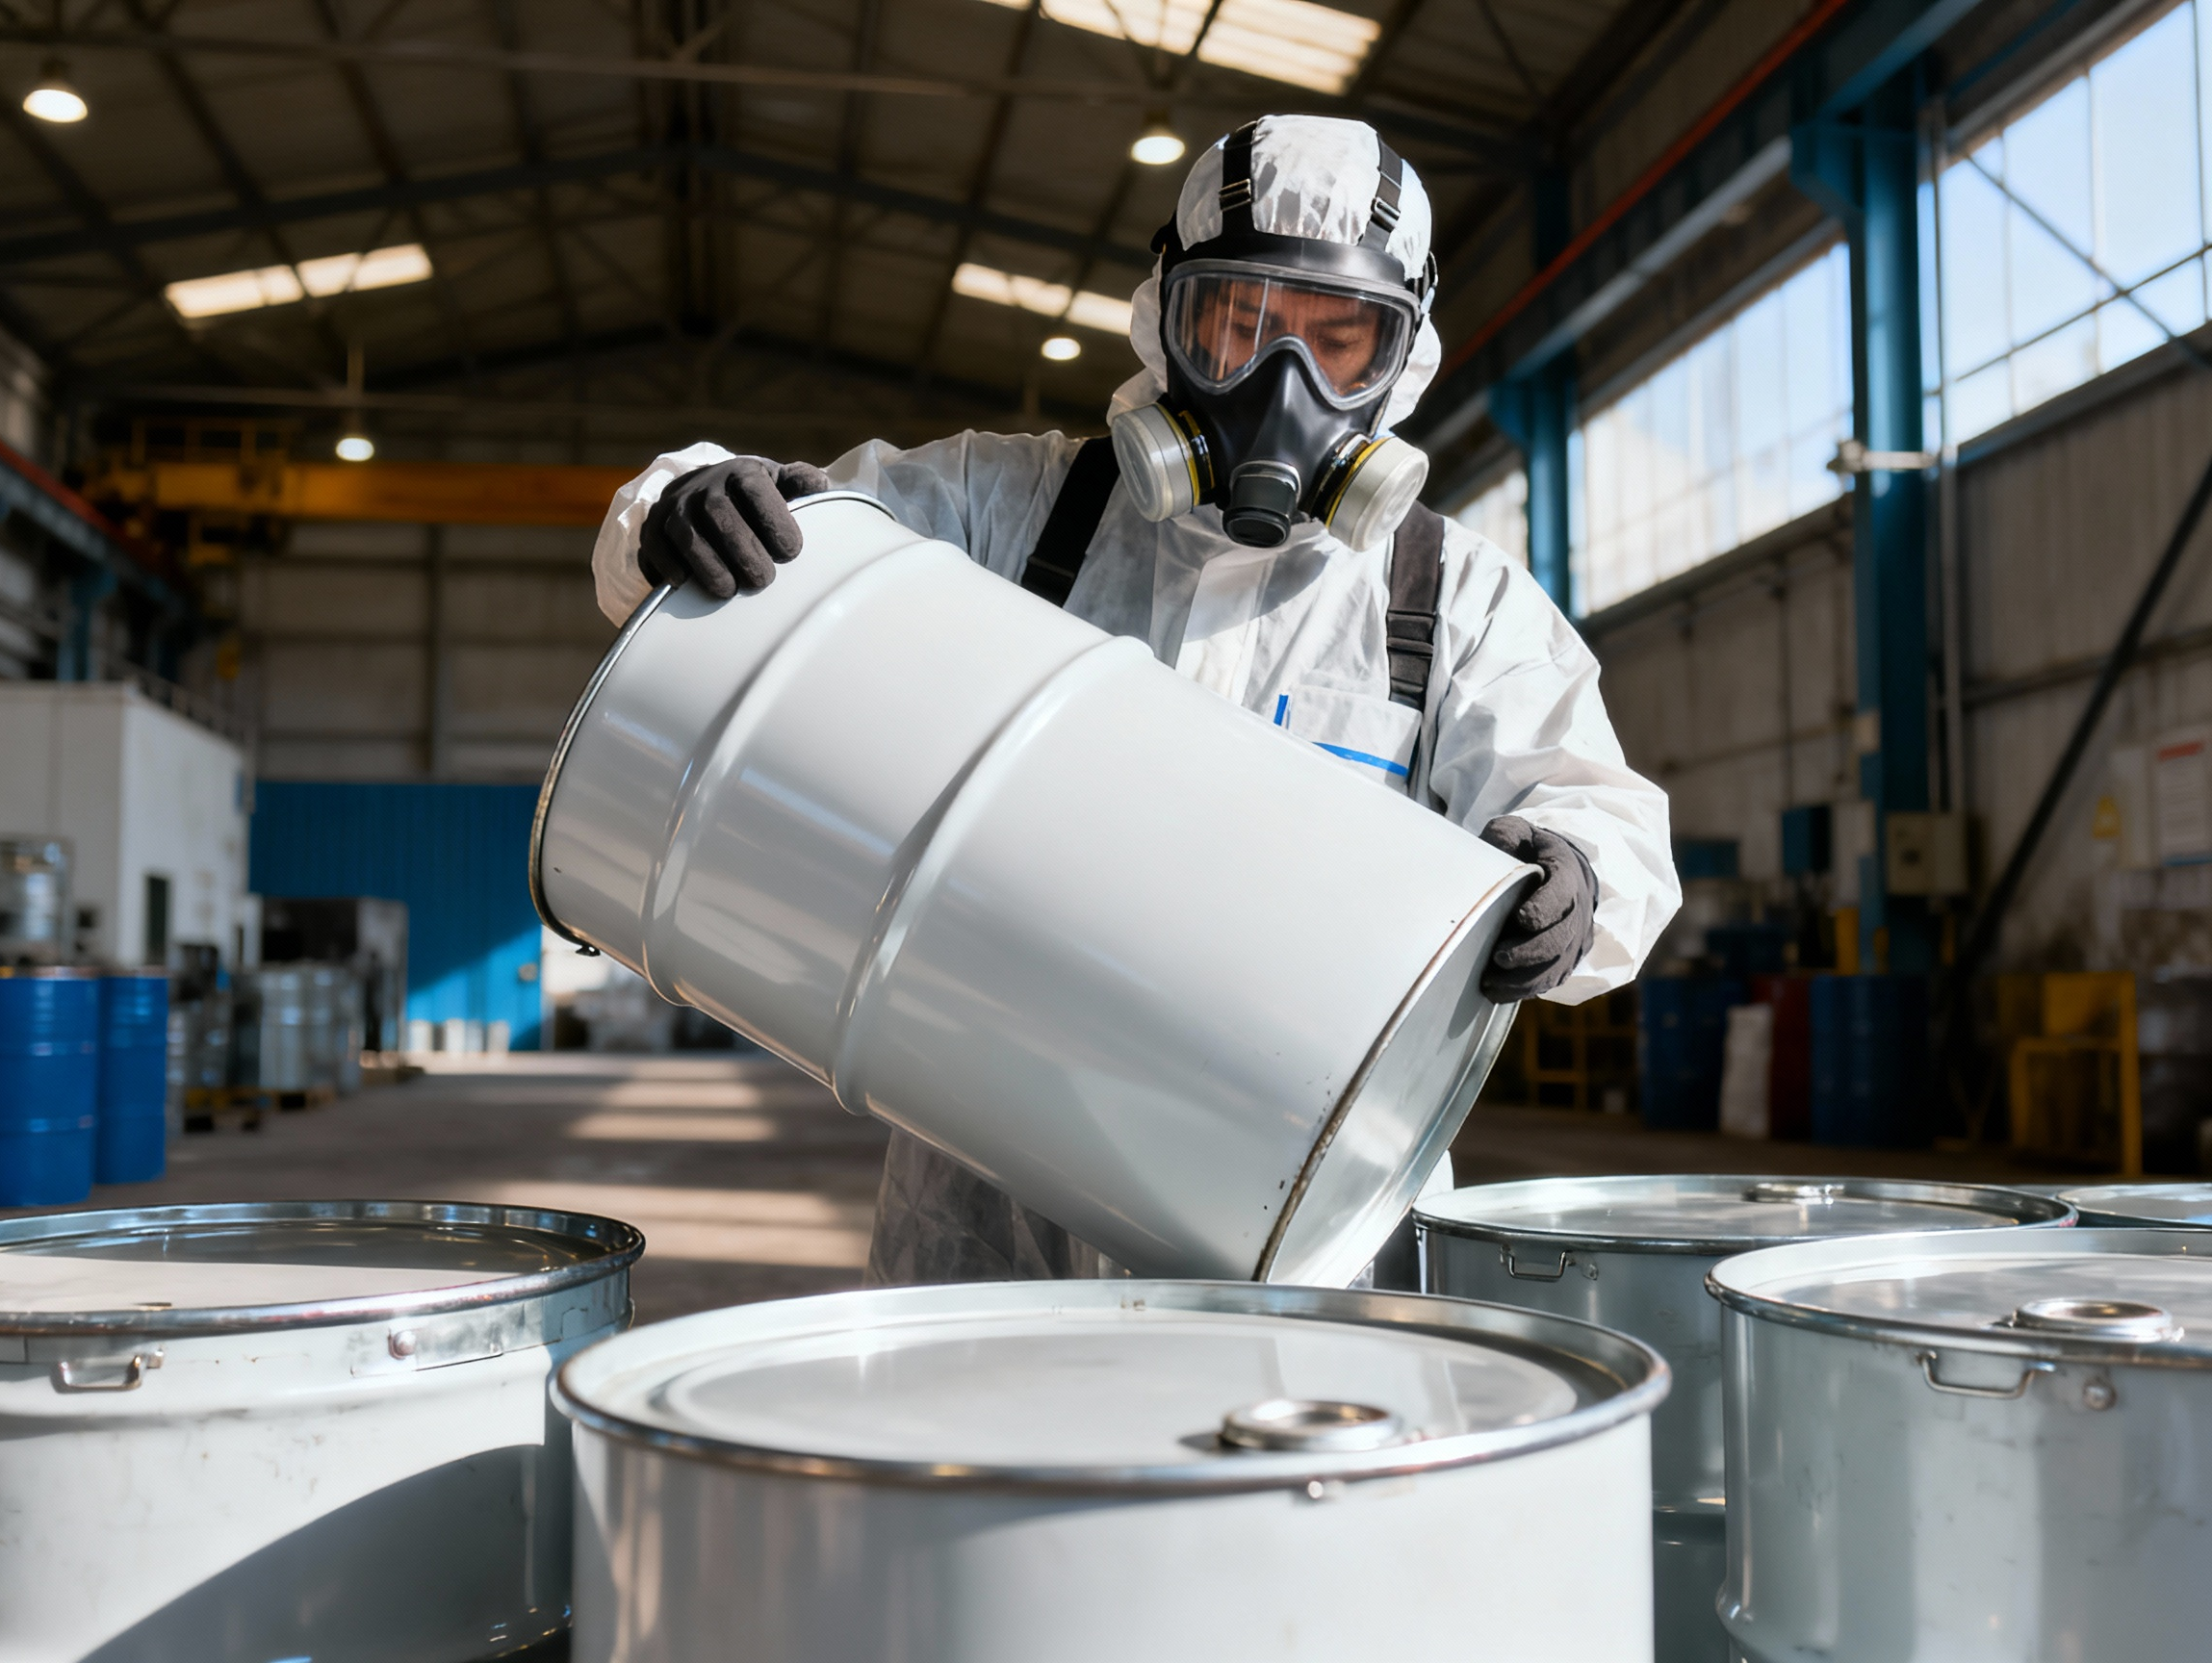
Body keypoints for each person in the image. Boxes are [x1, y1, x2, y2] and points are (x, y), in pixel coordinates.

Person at [590, 115, 1681, 1286]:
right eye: (1242, 324)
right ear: (1168, 318)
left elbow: (1601, 823)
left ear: (1399, 365)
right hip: (983, 1212)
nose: (1284, 383)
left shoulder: (1452, 599)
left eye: (1339, 342)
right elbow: (769, 554)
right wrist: (678, 506)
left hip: (1305, 1234)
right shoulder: (1001, 511)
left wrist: (1577, 878)